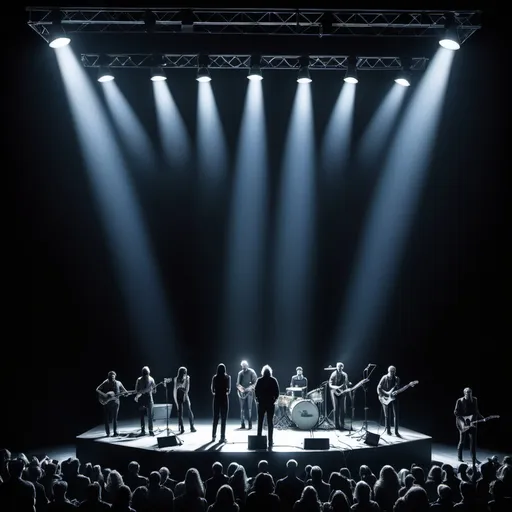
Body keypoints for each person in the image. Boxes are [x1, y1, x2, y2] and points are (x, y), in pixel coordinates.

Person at [454, 387, 484, 463]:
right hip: (463, 423)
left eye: (470, 392)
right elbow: (456, 412)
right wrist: (464, 419)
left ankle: (474, 458)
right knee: (462, 441)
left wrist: (481, 417)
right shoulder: (460, 400)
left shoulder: (474, 400)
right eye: (468, 392)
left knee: (473, 441)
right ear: (464, 393)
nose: (469, 393)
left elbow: (476, 411)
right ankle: (459, 457)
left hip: (472, 423)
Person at [96, 370, 129, 437]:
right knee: (106, 418)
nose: (112, 379)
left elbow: (125, 392)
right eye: (110, 378)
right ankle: (108, 433)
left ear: (115, 377)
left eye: (113, 378)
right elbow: (97, 389)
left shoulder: (118, 383)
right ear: (108, 378)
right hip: (107, 403)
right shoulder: (105, 382)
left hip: (115, 403)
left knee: (114, 418)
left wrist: (125, 394)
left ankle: (115, 432)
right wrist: (104, 395)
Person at [255, 364, 280, 449]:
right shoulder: (273, 380)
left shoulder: (259, 380)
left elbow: (256, 391)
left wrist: (258, 399)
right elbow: (277, 392)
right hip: (270, 403)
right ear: (270, 372)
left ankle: (259, 439)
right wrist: (274, 400)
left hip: (261, 403)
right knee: (270, 423)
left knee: (260, 422)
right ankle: (270, 441)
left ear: (263, 372)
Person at [377, 365, 401, 437]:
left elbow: (397, 388)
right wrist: (381, 396)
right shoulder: (384, 377)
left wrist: (396, 391)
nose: (392, 373)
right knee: (387, 415)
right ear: (388, 371)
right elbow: (379, 387)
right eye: (391, 371)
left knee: (396, 415)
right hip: (385, 398)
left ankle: (396, 431)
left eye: (394, 371)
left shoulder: (397, 379)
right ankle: (388, 430)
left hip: (394, 398)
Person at [211, 363, 231, 442]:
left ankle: (213, 436)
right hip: (224, 398)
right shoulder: (227, 377)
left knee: (215, 418)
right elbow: (228, 390)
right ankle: (222, 437)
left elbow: (212, 390)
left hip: (216, 398)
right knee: (224, 419)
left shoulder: (215, 378)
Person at [134, 366, 157, 436]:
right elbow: (136, 390)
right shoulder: (139, 379)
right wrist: (140, 393)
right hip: (141, 399)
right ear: (142, 374)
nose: (146, 376)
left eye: (147, 374)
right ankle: (143, 430)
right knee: (142, 415)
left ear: (149, 373)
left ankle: (151, 430)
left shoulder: (151, 379)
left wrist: (152, 389)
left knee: (150, 415)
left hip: (149, 398)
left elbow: (155, 391)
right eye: (144, 374)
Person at [173, 366, 196, 434]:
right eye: (184, 372)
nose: (185, 374)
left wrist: (185, 396)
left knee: (189, 410)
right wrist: (176, 402)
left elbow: (187, 388)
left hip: (184, 394)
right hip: (179, 395)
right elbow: (175, 389)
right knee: (180, 412)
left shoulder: (187, 378)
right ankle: (182, 428)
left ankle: (192, 427)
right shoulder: (176, 379)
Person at [236, 360, 258, 429]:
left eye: (245, 366)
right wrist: (242, 389)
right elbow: (237, 384)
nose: (244, 368)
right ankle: (242, 423)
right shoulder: (240, 373)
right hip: (242, 392)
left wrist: (249, 388)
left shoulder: (252, 372)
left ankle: (250, 424)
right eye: (243, 367)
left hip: (249, 392)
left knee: (249, 409)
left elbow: (255, 382)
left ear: (247, 366)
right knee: (242, 409)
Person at [328, 362, 350, 430]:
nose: (339, 368)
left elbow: (346, 383)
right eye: (338, 366)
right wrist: (337, 387)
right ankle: (336, 425)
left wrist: (348, 383)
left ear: (342, 367)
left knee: (342, 409)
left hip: (342, 392)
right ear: (336, 367)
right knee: (336, 408)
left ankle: (342, 424)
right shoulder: (333, 374)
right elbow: (330, 384)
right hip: (334, 392)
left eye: (341, 367)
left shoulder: (345, 374)